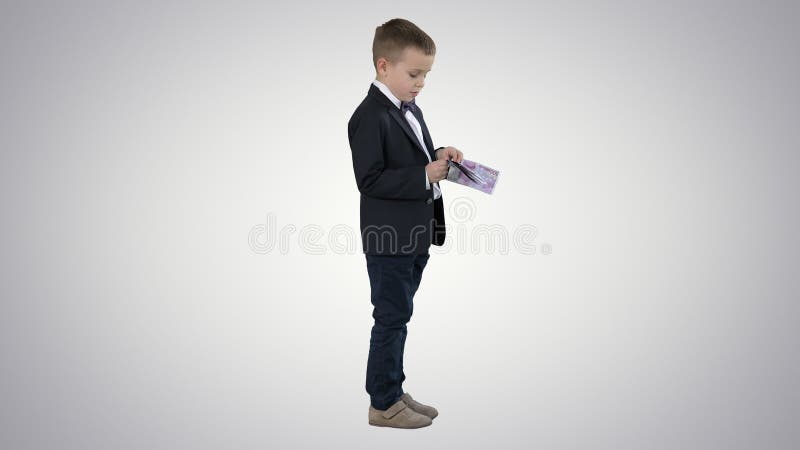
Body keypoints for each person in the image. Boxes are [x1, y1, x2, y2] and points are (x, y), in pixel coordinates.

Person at [347, 18, 464, 429]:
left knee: (400, 314)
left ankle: (392, 388)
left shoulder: (409, 109)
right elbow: (370, 179)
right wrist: (423, 176)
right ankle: (382, 403)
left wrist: (438, 153)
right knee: (391, 317)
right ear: (384, 66)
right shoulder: (368, 116)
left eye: (426, 75)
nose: (421, 83)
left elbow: (410, 156)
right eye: (414, 74)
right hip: (389, 239)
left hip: (414, 235)